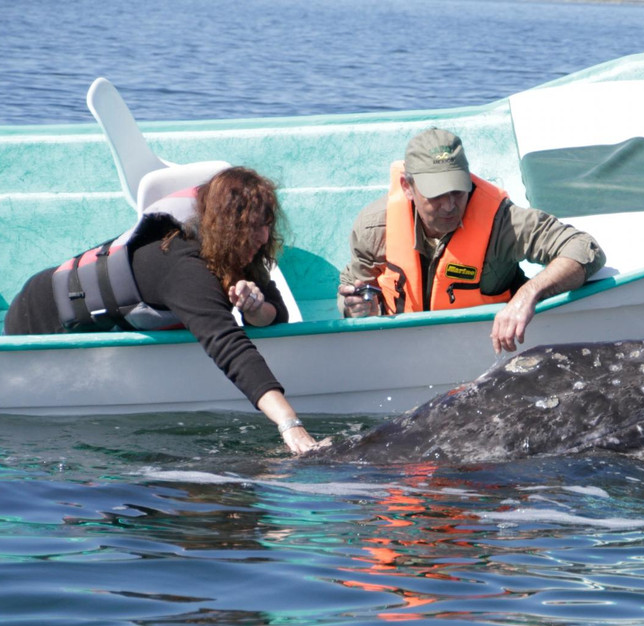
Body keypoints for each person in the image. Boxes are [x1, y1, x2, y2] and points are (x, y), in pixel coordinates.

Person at [3, 166, 321, 454]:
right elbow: (228, 345)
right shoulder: (185, 269)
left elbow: (278, 313)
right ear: (228, 227)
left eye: (267, 225)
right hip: (38, 316)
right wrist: (290, 425)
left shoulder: (238, 250)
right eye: (253, 226)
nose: (263, 237)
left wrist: (255, 308)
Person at [338, 128, 606, 353]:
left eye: (458, 191)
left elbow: (584, 248)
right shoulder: (374, 227)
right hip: (405, 349)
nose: (449, 206)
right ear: (407, 187)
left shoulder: (503, 222)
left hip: (492, 347)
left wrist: (527, 295)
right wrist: (356, 309)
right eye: (436, 195)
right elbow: (352, 287)